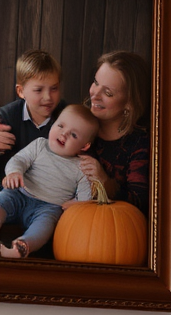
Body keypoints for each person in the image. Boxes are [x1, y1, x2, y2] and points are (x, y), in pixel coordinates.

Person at [0, 105, 99, 259]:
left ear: (84, 145)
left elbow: (86, 196)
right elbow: (19, 160)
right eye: (60, 125)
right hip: (19, 192)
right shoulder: (40, 145)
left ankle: (22, 246)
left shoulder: (82, 167)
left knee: (44, 228)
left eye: (73, 134)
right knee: (3, 200)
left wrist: (75, 203)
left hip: (49, 208)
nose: (63, 133)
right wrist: (14, 173)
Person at [79, 51, 151, 215]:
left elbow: (140, 204)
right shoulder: (78, 122)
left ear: (129, 103)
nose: (95, 95)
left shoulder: (139, 145)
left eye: (108, 93)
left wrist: (105, 181)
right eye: (95, 83)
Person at [0, 49, 65, 160]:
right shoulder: (5, 117)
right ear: (21, 91)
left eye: (54, 88)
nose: (48, 97)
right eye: (38, 90)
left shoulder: (69, 116)